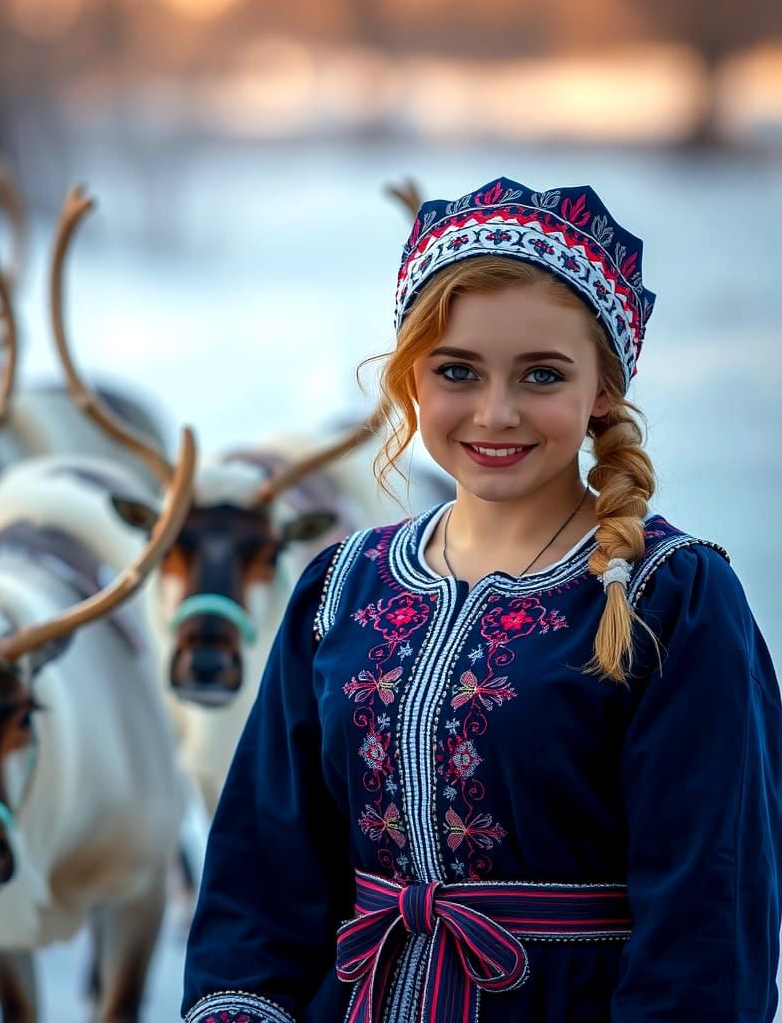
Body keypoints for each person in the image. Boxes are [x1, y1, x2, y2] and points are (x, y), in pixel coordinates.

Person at [180, 177, 782, 1022]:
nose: (495, 414)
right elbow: (261, 865)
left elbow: (711, 904)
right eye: (457, 371)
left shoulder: (672, 599)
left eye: (542, 374)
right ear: (411, 379)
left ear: (603, 389)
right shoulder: (342, 588)